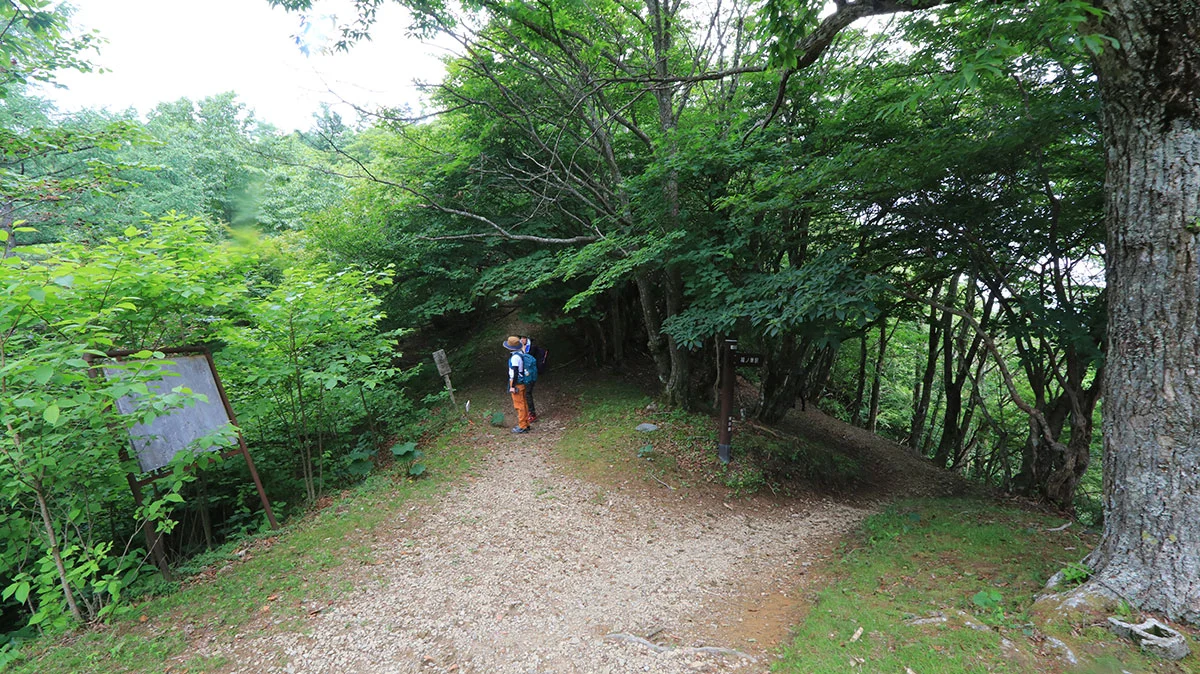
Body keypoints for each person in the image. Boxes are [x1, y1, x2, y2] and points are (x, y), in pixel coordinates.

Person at [504, 335, 532, 433]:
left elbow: (515, 372)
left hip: (517, 383)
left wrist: (512, 386)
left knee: (519, 405)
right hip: (522, 381)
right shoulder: (520, 353)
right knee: (523, 402)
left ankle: (522, 426)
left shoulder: (515, 357)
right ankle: (526, 423)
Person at [518, 335, 548, 422]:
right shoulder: (519, 349)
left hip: (530, 374)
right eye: (521, 338)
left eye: (524, 338)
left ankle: (532, 413)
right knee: (524, 393)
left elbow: (528, 359)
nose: (522, 340)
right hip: (524, 374)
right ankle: (526, 412)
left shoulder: (532, 349)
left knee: (528, 393)